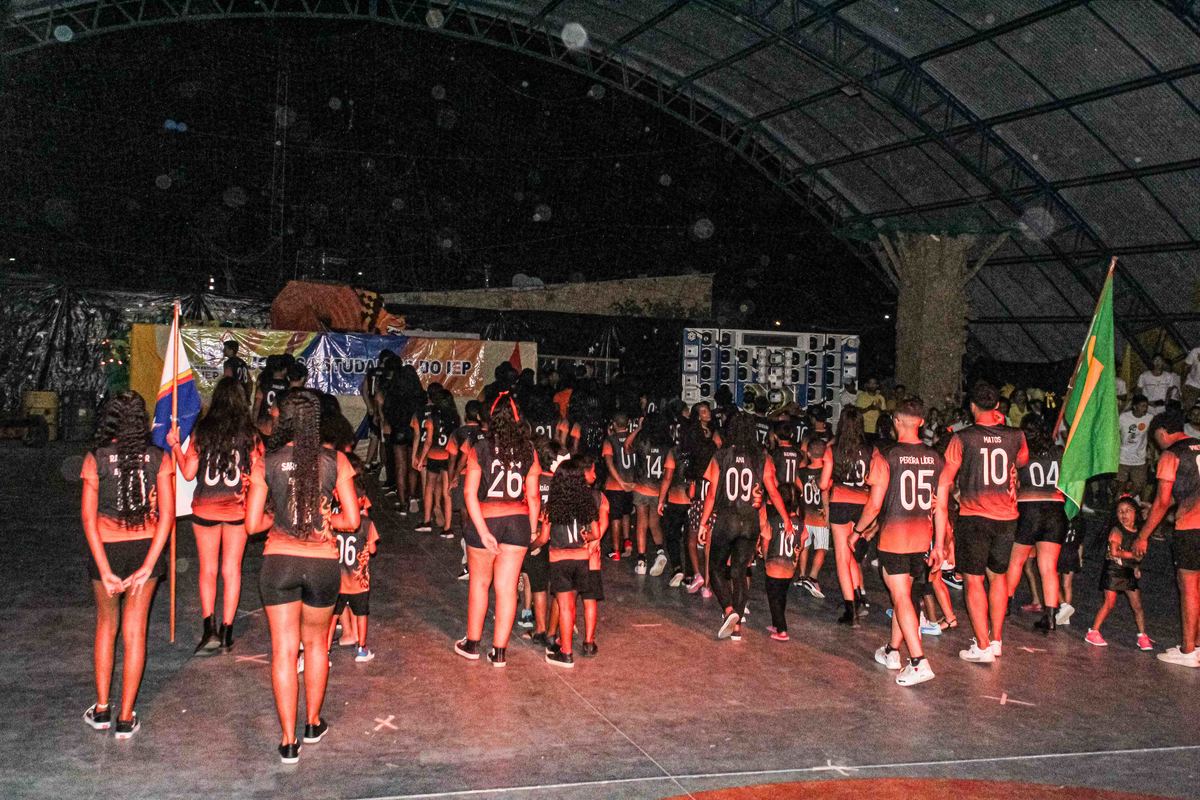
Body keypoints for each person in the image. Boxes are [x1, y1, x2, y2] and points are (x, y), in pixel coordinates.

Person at [245, 390, 360, 764]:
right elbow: (352, 520)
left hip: (279, 563)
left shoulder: (267, 461)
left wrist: (278, 518)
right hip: (322, 565)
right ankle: (312, 723)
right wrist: (326, 519)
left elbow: (251, 524)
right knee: (315, 645)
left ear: (283, 420)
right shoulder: (335, 461)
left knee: (283, 650)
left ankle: (288, 740)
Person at [80, 392, 175, 738]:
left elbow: (88, 519)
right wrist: (150, 564)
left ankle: (102, 708)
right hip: (144, 547)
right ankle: (125, 716)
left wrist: (104, 569)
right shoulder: (158, 458)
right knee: (136, 631)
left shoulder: (96, 459)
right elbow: (167, 517)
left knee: (107, 626)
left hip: (107, 548)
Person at [854, 398, 947, 686]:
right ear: (921, 422)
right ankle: (893, 651)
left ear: (895, 421)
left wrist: (857, 531)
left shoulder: (886, 455)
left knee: (902, 597)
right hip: (922, 539)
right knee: (905, 596)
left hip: (895, 539)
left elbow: (874, 504)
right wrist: (939, 545)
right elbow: (941, 506)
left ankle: (918, 661)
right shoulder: (936, 457)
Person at [168, 377, 260, 655]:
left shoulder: (203, 431)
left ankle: (209, 628)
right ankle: (228, 631)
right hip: (237, 509)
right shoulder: (250, 435)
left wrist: (175, 445)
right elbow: (259, 472)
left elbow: (188, 473)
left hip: (205, 507)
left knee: (207, 569)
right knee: (232, 570)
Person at [939, 382, 1029, 664]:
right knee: (998, 576)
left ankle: (982, 645)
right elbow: (1022, 461)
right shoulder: (1017, 435)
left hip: (974, 516)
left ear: (972, 406)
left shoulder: (963, 438)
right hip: (1007, 517)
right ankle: (997, 639)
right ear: (998, 406)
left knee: (973, 579)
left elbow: (945, 479)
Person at [456, 393, 541, 667]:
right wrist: (531, 531)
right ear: (518, 419)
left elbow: (469, 494)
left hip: (487, 518)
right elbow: (534, 496)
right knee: (507, 588)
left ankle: (472, 644)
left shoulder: (480, 447)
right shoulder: (529, 449)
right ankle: (499, 652)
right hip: (518, 522)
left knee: (480, 584)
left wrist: (482, 531)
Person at [699, 413, 795, 641]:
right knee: (739, 572)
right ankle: (737, 627)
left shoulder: (721, 455)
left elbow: (711, 494)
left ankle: (729, 610)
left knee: (716, 567)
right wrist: (786, 519)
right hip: (750, 521)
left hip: (727, 519)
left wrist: (703, 522)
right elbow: (774, 491)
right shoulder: (762, 457)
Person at [1133, 409, 1200, 667]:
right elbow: (1185, 490)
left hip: (1191, 527)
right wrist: (1161, 506)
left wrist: (1143, 535)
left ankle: (1188, 651)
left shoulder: (1171, 454)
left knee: (1189, 587)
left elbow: (1162, 501)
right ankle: (1196, 645)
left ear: (1161, 432)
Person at [534, 458, 603, 668]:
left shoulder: (552, 506)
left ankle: (566, 652)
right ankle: (566, 646)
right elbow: (596, 533)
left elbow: (543, 538)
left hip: (560, 560)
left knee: (565, 607)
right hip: (581, 560)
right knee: (572, 606)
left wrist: (530, 546)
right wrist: (585, 537)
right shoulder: (587, 504)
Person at [1005, 415, 1067, 633]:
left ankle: (1005, 606)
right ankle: (1050, 617)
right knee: (1049, 567)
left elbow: (1012, 482)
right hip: (1055, 510)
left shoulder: (1020, 453)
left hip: (1029, 509)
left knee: (1016, 561)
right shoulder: (1059, 452)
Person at [821, 405, 872, 626]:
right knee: (852, 555)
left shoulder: (833, 450)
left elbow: (823, 483)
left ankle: (850, 610)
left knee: (842, 557)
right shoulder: (870, 450)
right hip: (863, 505)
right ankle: (860, 597)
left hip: (840, 503)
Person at [327, 455, 379, 663]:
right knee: (362, 614)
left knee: (332, 615)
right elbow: (372, 549)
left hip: (337, 579)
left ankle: (325, 651)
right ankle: (362, 647)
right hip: (359, 581)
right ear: (361, 500)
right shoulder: (366, 523)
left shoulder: (334, 521)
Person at [1086, 497, 1152, 651]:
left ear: (1135, 513)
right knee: (1109, 603)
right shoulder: (1116, 531)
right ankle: (1093, 631)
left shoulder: (1139, 534)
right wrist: (1133, 556)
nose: (1124, 514)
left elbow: (1137, 555)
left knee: (1137, 605)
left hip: (1127, 571)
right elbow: (1115, 552)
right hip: (1113, 570)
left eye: (1128, 511)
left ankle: (1142, 635)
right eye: (1120, 511)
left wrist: (1136, 566)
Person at [447, 401, 487, 581]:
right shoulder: (494, 435)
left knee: (466, 520)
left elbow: (460, 458)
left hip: (469, 477)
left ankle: (470, 561)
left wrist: (454, 477)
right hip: (488, 480)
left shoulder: (465, 435)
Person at [627, 412, 671, 576]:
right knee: (655, 523)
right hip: (658, 490)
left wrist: (638, 428)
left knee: (641, 523)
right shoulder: (667, 446)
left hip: (641, 487)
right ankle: (660, 551)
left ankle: (641, 561)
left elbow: (627, 447)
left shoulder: (642, 441)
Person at [414, 384, 459, 538]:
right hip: (448, 457)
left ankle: (427, 521)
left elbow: (427, 442)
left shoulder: (432, 417)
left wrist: (421, 459)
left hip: (433, 456)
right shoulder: (455, 419)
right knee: (447, 492)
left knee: (429, 487)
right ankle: (448, 528)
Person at [761, 483, 802, 642]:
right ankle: (776, 624)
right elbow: (803, 539)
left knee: (773, 598)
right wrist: (796, 557)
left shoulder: (773, 520)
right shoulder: (799, 522)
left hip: (773, 566)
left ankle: (782, 630)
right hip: (789, 567)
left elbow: (765, 541)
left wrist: (766, 559)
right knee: (782, 596)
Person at [380, 362, 423, 513]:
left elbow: (386, 411)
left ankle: (402, 502)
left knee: (400, 467)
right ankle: (412, 497)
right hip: (414, 432)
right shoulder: (419, 395)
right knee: (413, 466)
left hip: (398, 431)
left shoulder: (393, 393)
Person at [796, 437, 830, 598]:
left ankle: (802, 575)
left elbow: (798, 493)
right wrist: (828, 515)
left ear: (808, 453)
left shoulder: (801, 472)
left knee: (805, 546)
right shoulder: (826, 472)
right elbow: (826, 494)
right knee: (821, 548)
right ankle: (812, 577)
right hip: (820, 517)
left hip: (805, 514)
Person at [601, 413, 637, 561]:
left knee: (615, 517)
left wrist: (620, 481)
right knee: (626, 513)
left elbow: (610, 465)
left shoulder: (609, 441)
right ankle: (627, 543)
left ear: (614, 424)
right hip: (630, 483)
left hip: (615, 485)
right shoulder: (633, 438)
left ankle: (616, 551)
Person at [1117, 395, 1153, 499]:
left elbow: (1151, 436)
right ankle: (1118, 503)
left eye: (1146, 406)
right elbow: (1115, 434)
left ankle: (1129, 501)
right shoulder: (1123, 417)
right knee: (1120, 487)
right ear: (1134, 406)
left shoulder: (1149, 418)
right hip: (1123, 458)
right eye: (1142, 406)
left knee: (1138, 486)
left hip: (1139, 459)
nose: (1145, 408)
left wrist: (1150, 453)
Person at [1185, 346, 1200, 412]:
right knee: (1188, 408)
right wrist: (1182, 385)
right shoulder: (1196, 351)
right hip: (1192, 384)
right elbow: (1185, 368)